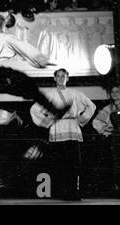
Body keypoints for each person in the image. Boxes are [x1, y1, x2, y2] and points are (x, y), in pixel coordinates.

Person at [30, 68, 95, 200]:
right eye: (58, 76)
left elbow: (91, 106)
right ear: (54, 78)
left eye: (63, 76)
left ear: (67, 78)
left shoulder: (75, 93)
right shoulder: (49, 94)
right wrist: (47, 122)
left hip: (72, 128)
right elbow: (34, 109)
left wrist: (81, 119)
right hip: (57, 128)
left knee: (74, 163)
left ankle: (74, 192)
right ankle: (63, 192)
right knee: (60, 163)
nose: (60, 78)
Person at [92, 85, 120, 195]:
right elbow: (96, 122)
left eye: (117, 91)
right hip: (115, 140)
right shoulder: (108, 108)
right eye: (112, 92)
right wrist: (104, 130)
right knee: (116, 164)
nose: (115, 94)